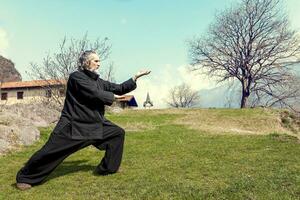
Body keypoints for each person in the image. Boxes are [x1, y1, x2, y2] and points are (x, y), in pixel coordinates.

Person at [16, 50, 151, 190]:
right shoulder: (76, 77)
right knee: (50, 152)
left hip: (94, 124)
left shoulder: (99, 81)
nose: (99, 64)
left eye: (99, 61)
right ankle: (25, 177)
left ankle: (108, 168)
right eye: (96, 61)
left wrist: (135, 77)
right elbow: (93, 93)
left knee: (117, 133)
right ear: (86, 62)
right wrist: (112, 97)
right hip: (73, 125)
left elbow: (119, 88)